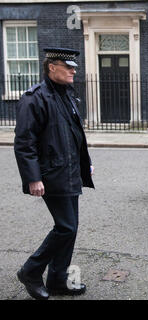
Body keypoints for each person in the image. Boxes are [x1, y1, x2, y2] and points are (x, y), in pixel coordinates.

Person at [14, 48, 94, 300]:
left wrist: (85, 164)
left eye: (74, 67)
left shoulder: (67, 95)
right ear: (51, 67)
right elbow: (24, 142)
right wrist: (33, 177)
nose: (73, 71)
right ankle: (30, 271)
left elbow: (74, 136)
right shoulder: (34, 98)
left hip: (70, 172)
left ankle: (58, 280)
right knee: (66, 227)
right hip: (51, 175)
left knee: (71, 227)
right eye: (68, 66)